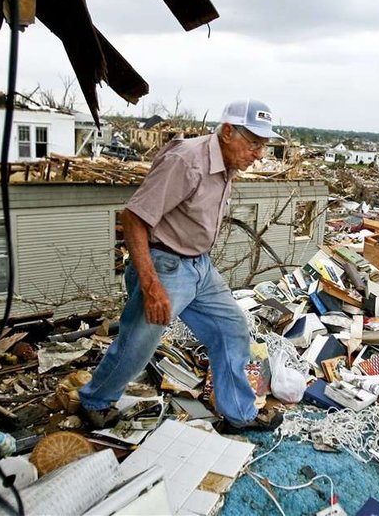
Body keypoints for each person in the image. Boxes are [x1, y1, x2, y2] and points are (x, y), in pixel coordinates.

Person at [78, 99, 284, 431]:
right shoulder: (187, 160)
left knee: (232, 329)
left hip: (199, 267)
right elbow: (134, 218)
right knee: (139, 342)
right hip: (165, 266)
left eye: (263, 145)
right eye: (254, 143)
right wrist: (151, 285)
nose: (259, 154)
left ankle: (239, 414)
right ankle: (96, 401)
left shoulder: (227, 162)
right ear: (228, 131)